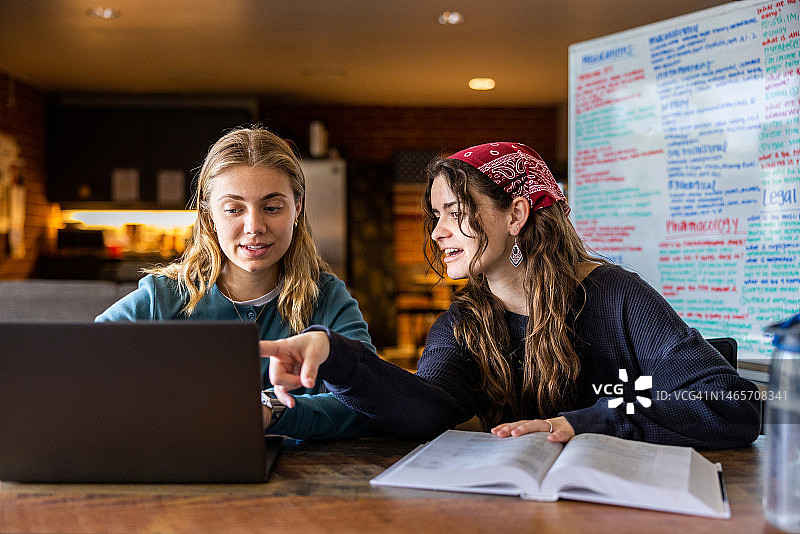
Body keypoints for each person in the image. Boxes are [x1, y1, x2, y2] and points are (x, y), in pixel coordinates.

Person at [262, 141, 761, 449]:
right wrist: (336, 357)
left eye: (455, 212)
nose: (438, 233)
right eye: (436, 216)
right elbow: (430, 411)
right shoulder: (465, 322)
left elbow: (733, 404)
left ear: (516, 215)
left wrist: (584, 423)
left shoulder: (616, 297)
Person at [96, 125, 374, 439]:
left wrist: (273, 411)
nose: (254, 226)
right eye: (233, 209)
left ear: (297, 207)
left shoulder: (328, 299)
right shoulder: (161, 298)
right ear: (209, 214)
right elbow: (84, 368)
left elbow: (371, 402)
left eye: (272, 208)